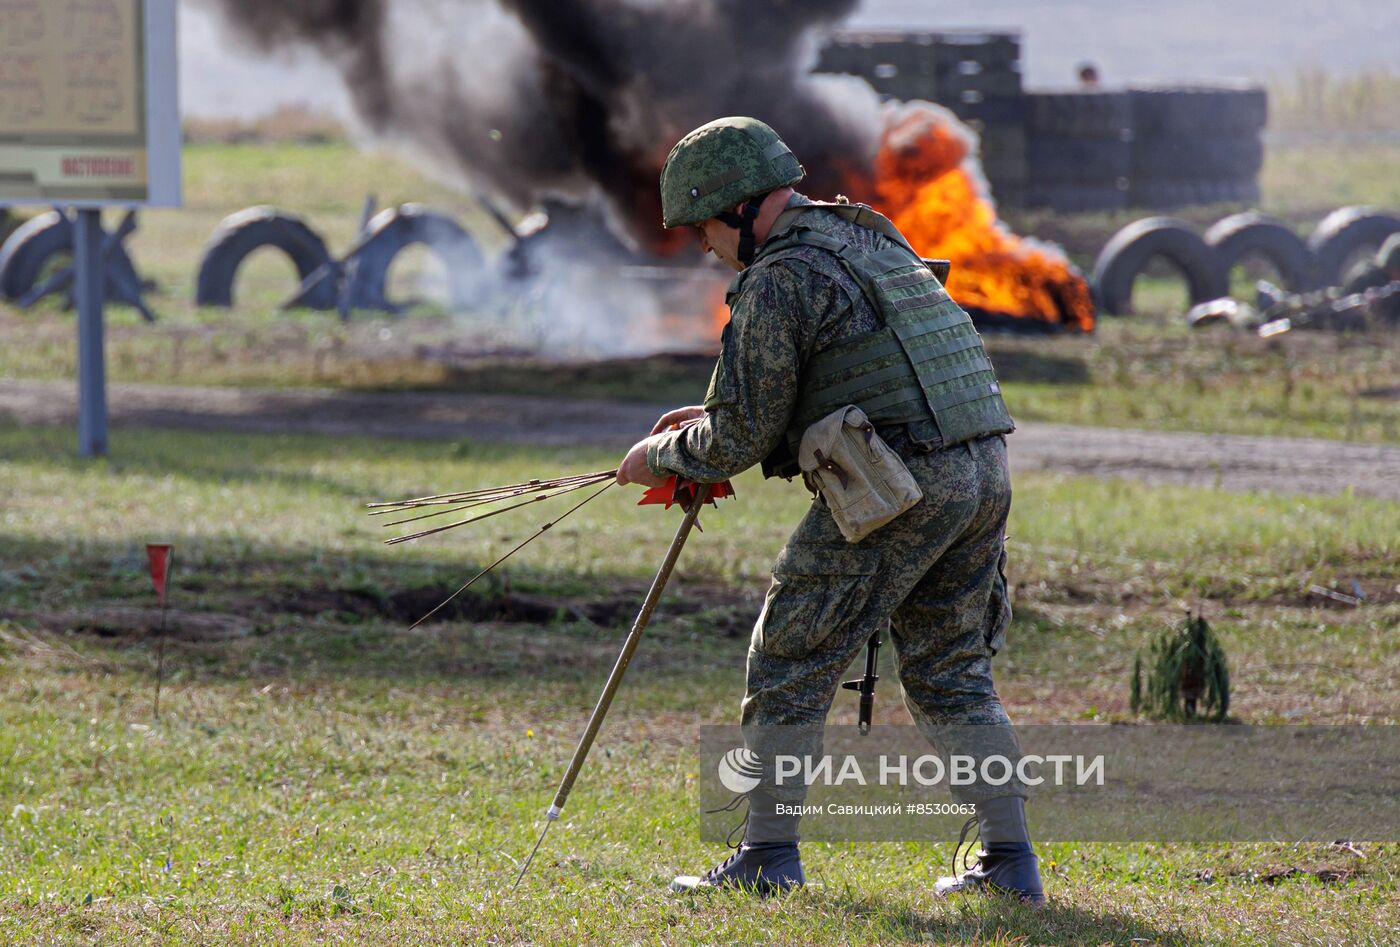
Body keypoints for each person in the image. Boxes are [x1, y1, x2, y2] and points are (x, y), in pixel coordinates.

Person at [614, 117, 1044, 904]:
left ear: (740, 208)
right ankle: (1011, 864)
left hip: (898, 486)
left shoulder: (781, 276)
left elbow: (738, 436)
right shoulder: (866, 240)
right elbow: (830, 381)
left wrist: (660, 457)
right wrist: (708, 419)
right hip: (980, 469)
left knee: (789, 654)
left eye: (705, 227)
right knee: (952, 669)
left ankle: (767, 856)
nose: (706, 246)